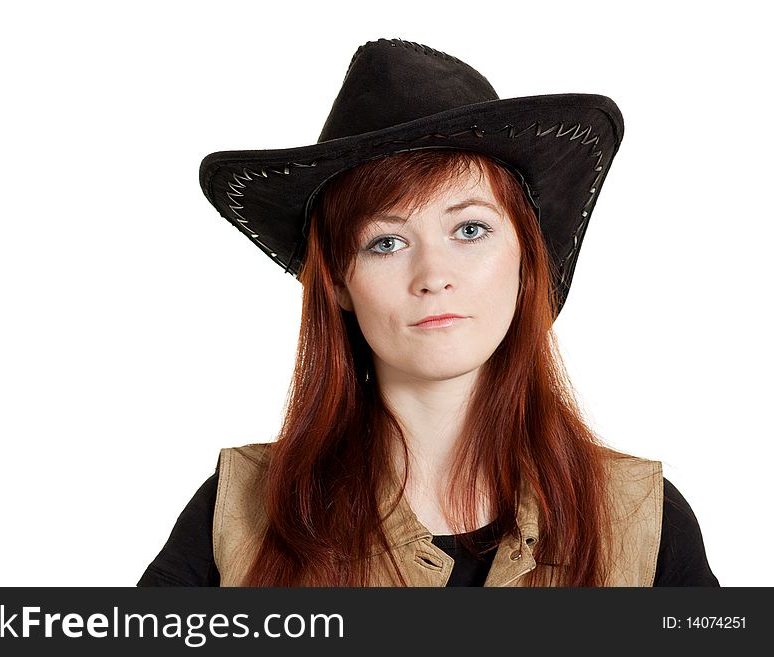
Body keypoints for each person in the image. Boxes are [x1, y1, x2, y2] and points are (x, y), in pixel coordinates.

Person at [138, 38, 718, 587]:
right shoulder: (239, 511)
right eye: (385, 242)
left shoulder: (644, 521)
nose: (433, 276)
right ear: (338, 283)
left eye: (470, 229)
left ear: (526, 258)